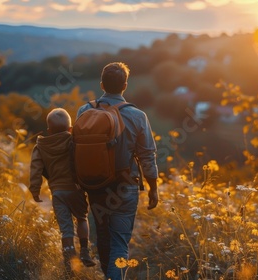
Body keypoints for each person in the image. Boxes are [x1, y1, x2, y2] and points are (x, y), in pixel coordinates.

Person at [75, 62, 159, 280]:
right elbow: (147, 155)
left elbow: (74, 150)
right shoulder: (138, 116)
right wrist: (153, 189)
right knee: (119, 243)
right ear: (125, 85)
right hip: (124, 186)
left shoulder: (85, 111)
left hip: (95, 186)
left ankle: (108, 275)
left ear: (101, 84)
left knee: (103, 237)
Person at [29, 108, 96, 278]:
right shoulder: (74, 141)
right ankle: (85, 251)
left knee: (65, 229)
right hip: (76, 189)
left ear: (49, 130)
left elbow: (36, 169)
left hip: (58, 192)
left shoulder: (41, 146)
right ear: (70, 129)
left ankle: (69, 261)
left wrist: (35, 190)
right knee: (81, 218)